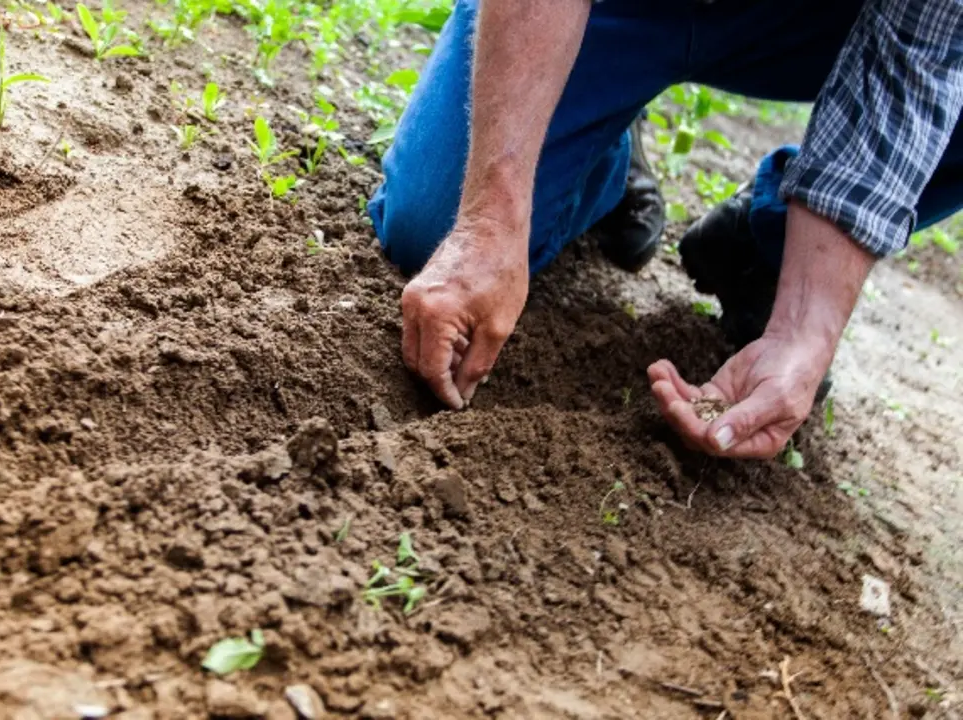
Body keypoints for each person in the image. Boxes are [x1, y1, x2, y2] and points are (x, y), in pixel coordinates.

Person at [367, 0, 963, 459]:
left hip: (808, 21)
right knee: (433, 224)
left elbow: (917, 57)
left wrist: (803, 333)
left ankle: (770, 247)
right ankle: (600, 146)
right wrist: (490, 219)